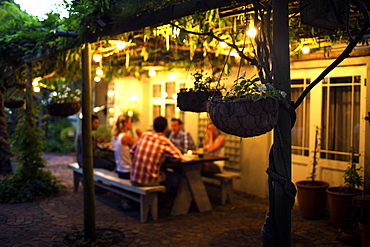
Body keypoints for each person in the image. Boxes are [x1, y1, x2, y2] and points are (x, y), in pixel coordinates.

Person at [130, 116, 182, 186]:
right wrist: (163, 156)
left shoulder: (145, 135)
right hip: (148, 182)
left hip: (133, 178)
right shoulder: (163, 140)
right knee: (169, 176)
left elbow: (132, 151)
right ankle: (166, 196)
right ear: (166, 128)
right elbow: (179, 157)